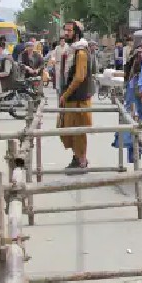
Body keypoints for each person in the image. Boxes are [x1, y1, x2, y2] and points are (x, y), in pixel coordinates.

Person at [58, 20, 94, 171]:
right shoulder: (71, 50)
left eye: (69, 31)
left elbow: (79, 77)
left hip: (78, 99)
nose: (66, 33)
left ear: (77, 33)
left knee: (78, 132)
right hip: (70, 97)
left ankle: (81, 161)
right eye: (65, 30)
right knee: (66, 130)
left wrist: (65, 95)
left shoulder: (80, 52)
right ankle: (77, 157)